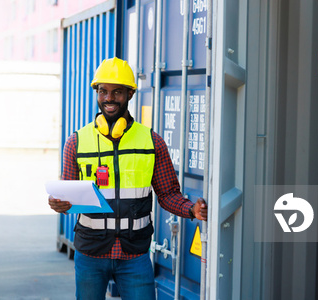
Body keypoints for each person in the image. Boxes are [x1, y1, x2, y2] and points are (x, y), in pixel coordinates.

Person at [48, 57, 207, 300]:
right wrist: (58, 204)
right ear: (97, 93)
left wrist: (191, 210)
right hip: (91, 253)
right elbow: (68, 197)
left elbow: (168, 194)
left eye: (117, 92)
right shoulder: (76, 142)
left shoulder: (152, 142)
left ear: (130, 94)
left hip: (134, 254)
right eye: (103, 91)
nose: (109, 98)